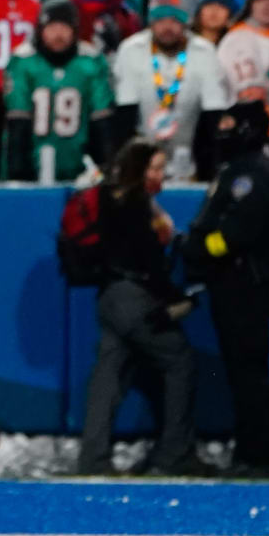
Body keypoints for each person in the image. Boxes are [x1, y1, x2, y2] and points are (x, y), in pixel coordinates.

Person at [77, 138, 200, 476]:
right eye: (156, 168)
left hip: (108, 298)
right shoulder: (137, 204)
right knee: (180, 361)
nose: (162, 175)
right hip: (135, 298)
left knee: (109, 376)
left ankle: (93, 458)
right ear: (140, 169)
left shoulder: (107, 198)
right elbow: (147, 262)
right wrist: (177, 298)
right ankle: (174, 454)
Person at [184, 100, 269, 477]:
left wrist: (200, 249)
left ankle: (257, 454)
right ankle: (252, 447)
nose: (222, 131)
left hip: (246, 285)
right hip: (235, 283)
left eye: (230, 124)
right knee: (241, 370)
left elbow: (237, 234)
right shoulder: (239, 169)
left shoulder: (251, 175)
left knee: (248, 371)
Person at [112, 0, 230, 177]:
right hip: (141, 166)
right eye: (160, 20)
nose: (167, 27)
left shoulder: (204, 51)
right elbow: (125, 116)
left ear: (186, 23)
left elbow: (213, 116)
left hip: (189, 160)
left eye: (175, 20)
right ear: (151, 22)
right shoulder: (131, 50)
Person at [4, 0, 115, 181]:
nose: (58, 34)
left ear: (75, 30)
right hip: (32, 164)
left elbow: (101, 125)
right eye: (52, 27)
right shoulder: (23, 62)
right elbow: (18, 125)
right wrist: (18, 175)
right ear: (41, 29)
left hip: (80, 168)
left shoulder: (91, 62)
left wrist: (104, 169)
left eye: (64, 27)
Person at [217, 0, 269, 126]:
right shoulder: (237, 40)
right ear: (250, 4)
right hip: (259, 133)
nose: (267, 5)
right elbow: (250, 97)